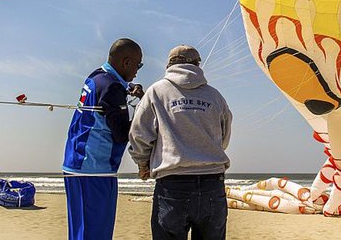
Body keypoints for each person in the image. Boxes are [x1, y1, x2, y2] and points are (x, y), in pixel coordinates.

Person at [129, 45, 233, 240]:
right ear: (197, 64)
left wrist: (143, 164)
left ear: (169, 65)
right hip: (213, 185)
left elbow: (139, 135)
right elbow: (224, 138)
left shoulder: (156, 92)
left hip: (172, 186)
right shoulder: (215, 96)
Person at [62, 38, 145, 240]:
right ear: (127, 62)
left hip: (78, 163)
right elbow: (121, 134)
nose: (137, 70)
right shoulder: (112, 87)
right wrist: (143, 111)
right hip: (94, 169)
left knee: (81, 231)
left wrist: (129, 88)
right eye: (138, 64)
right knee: (95, 232)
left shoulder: (97, 77)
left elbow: (108, 94)